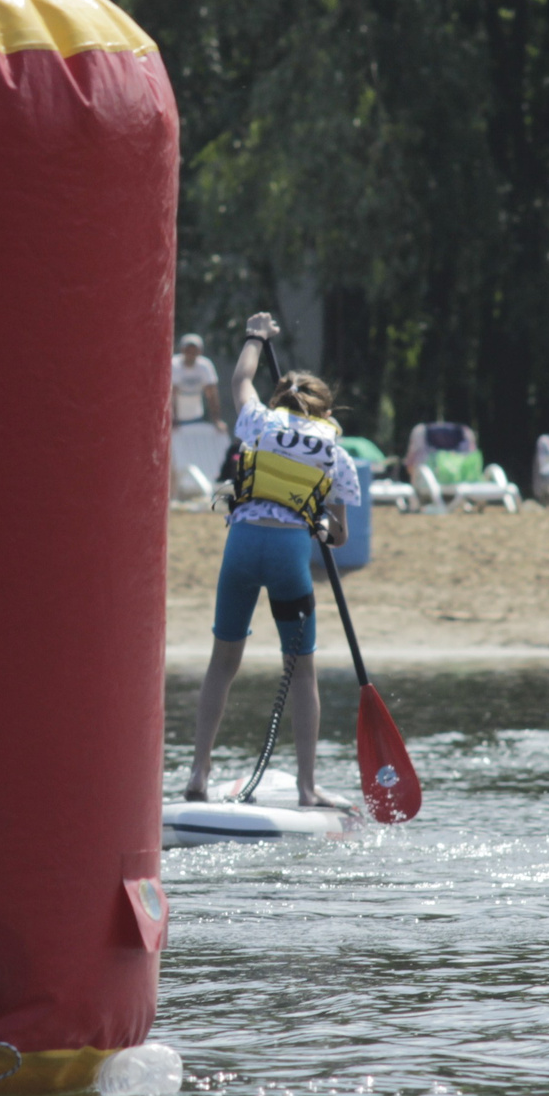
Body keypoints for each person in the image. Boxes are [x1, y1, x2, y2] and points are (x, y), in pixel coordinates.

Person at [181, 312, 359, 808]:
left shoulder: (258, 422)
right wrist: (320, 525)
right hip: (286, 556)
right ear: (323, 411)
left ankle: (198, 773)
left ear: (280, 401)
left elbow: (239, 378)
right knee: (300, 672)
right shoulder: (334, 454)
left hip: (240, 547)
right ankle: (307, 788)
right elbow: (338, 535)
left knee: (222, 664)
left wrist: (256, 335)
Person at [168, 333, 229, 493]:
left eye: (194, 350)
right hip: (177, 420)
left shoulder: (204, 366)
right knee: (174, 454)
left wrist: (216, 420)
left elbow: (211, 394)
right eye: (188, 349)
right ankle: (174, 492)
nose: (191, 353)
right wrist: (173, 420)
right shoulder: (174, 365)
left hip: (196, 416)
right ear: (182, 350)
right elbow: (171, 395)